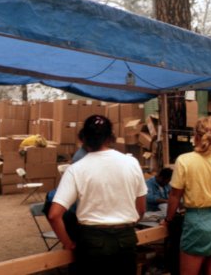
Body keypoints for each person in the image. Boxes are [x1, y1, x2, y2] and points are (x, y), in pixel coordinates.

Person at [48, 115, 147, 274]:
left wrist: (68, 243)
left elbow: (54, 215)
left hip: (92, 242)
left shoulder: (76, 169)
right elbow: (141, 209)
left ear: (83, 139)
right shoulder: (131, 163)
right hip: (126, 239)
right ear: (111, 137)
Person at [163, 116, 211, 275]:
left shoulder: (184, 161)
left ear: (195, 136)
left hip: (198, 223)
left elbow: (175, 196)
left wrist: (168, 219)